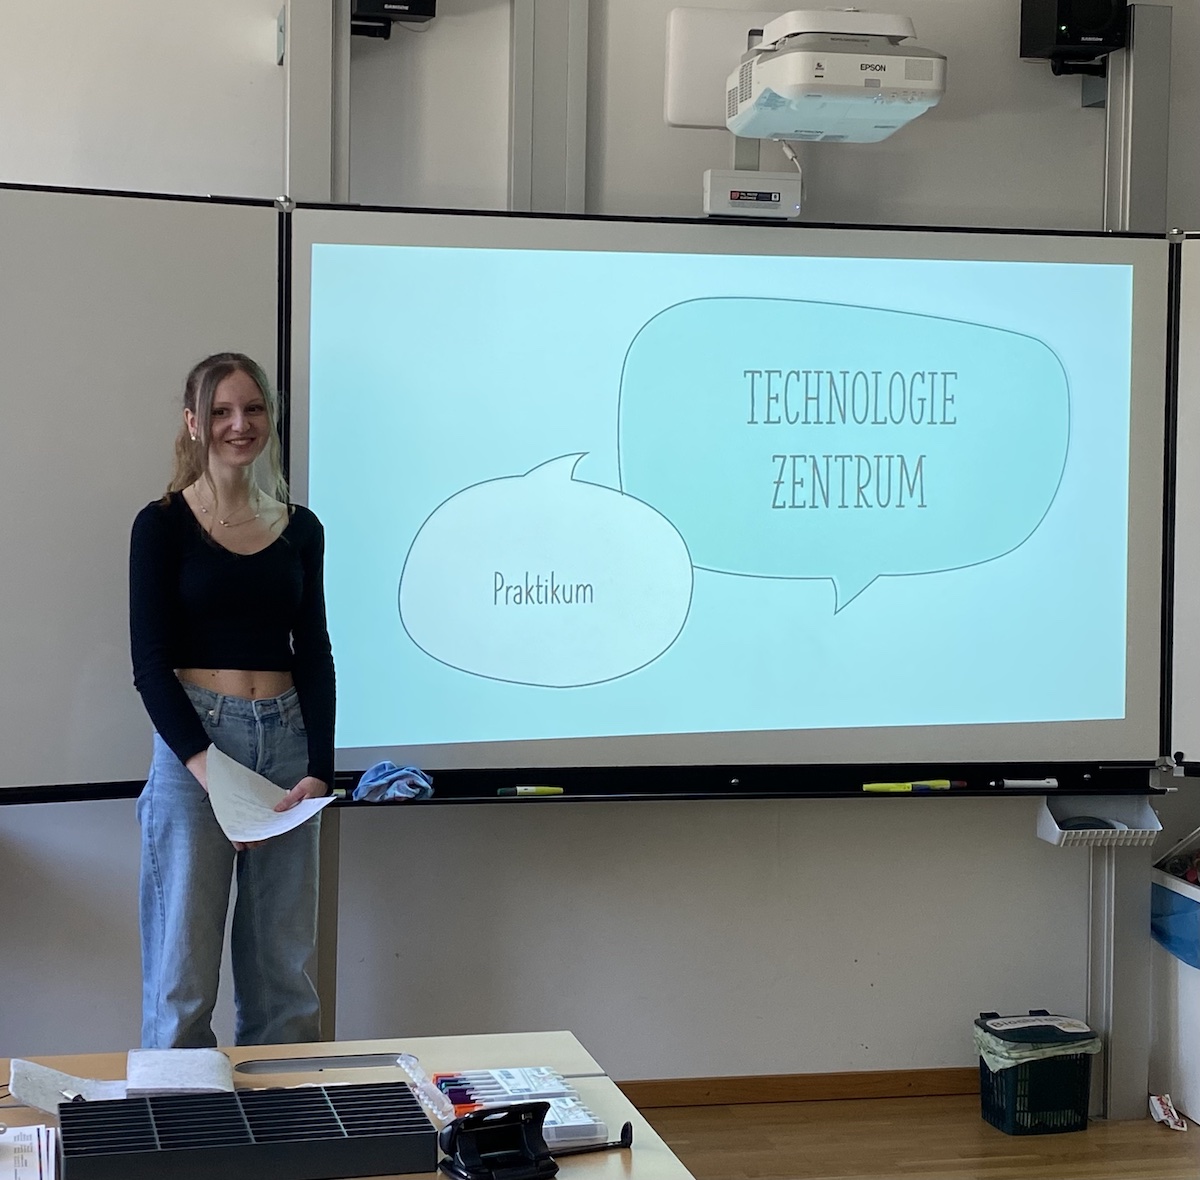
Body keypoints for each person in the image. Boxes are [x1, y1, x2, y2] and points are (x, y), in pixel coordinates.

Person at [129, 352, 335, 1049]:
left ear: (270, 418)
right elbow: (150, 665)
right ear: (194, 423)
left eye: (253, 409)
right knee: (182, 980)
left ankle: (283, 1116)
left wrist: (320, 770)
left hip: (287, 747)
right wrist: (208, 768)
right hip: (198, 747)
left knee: (284, 977)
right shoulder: (160, 525)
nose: (239, 424)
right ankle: (179, 1118)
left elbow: (315, 652)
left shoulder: (302, 529)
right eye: (221, 411)